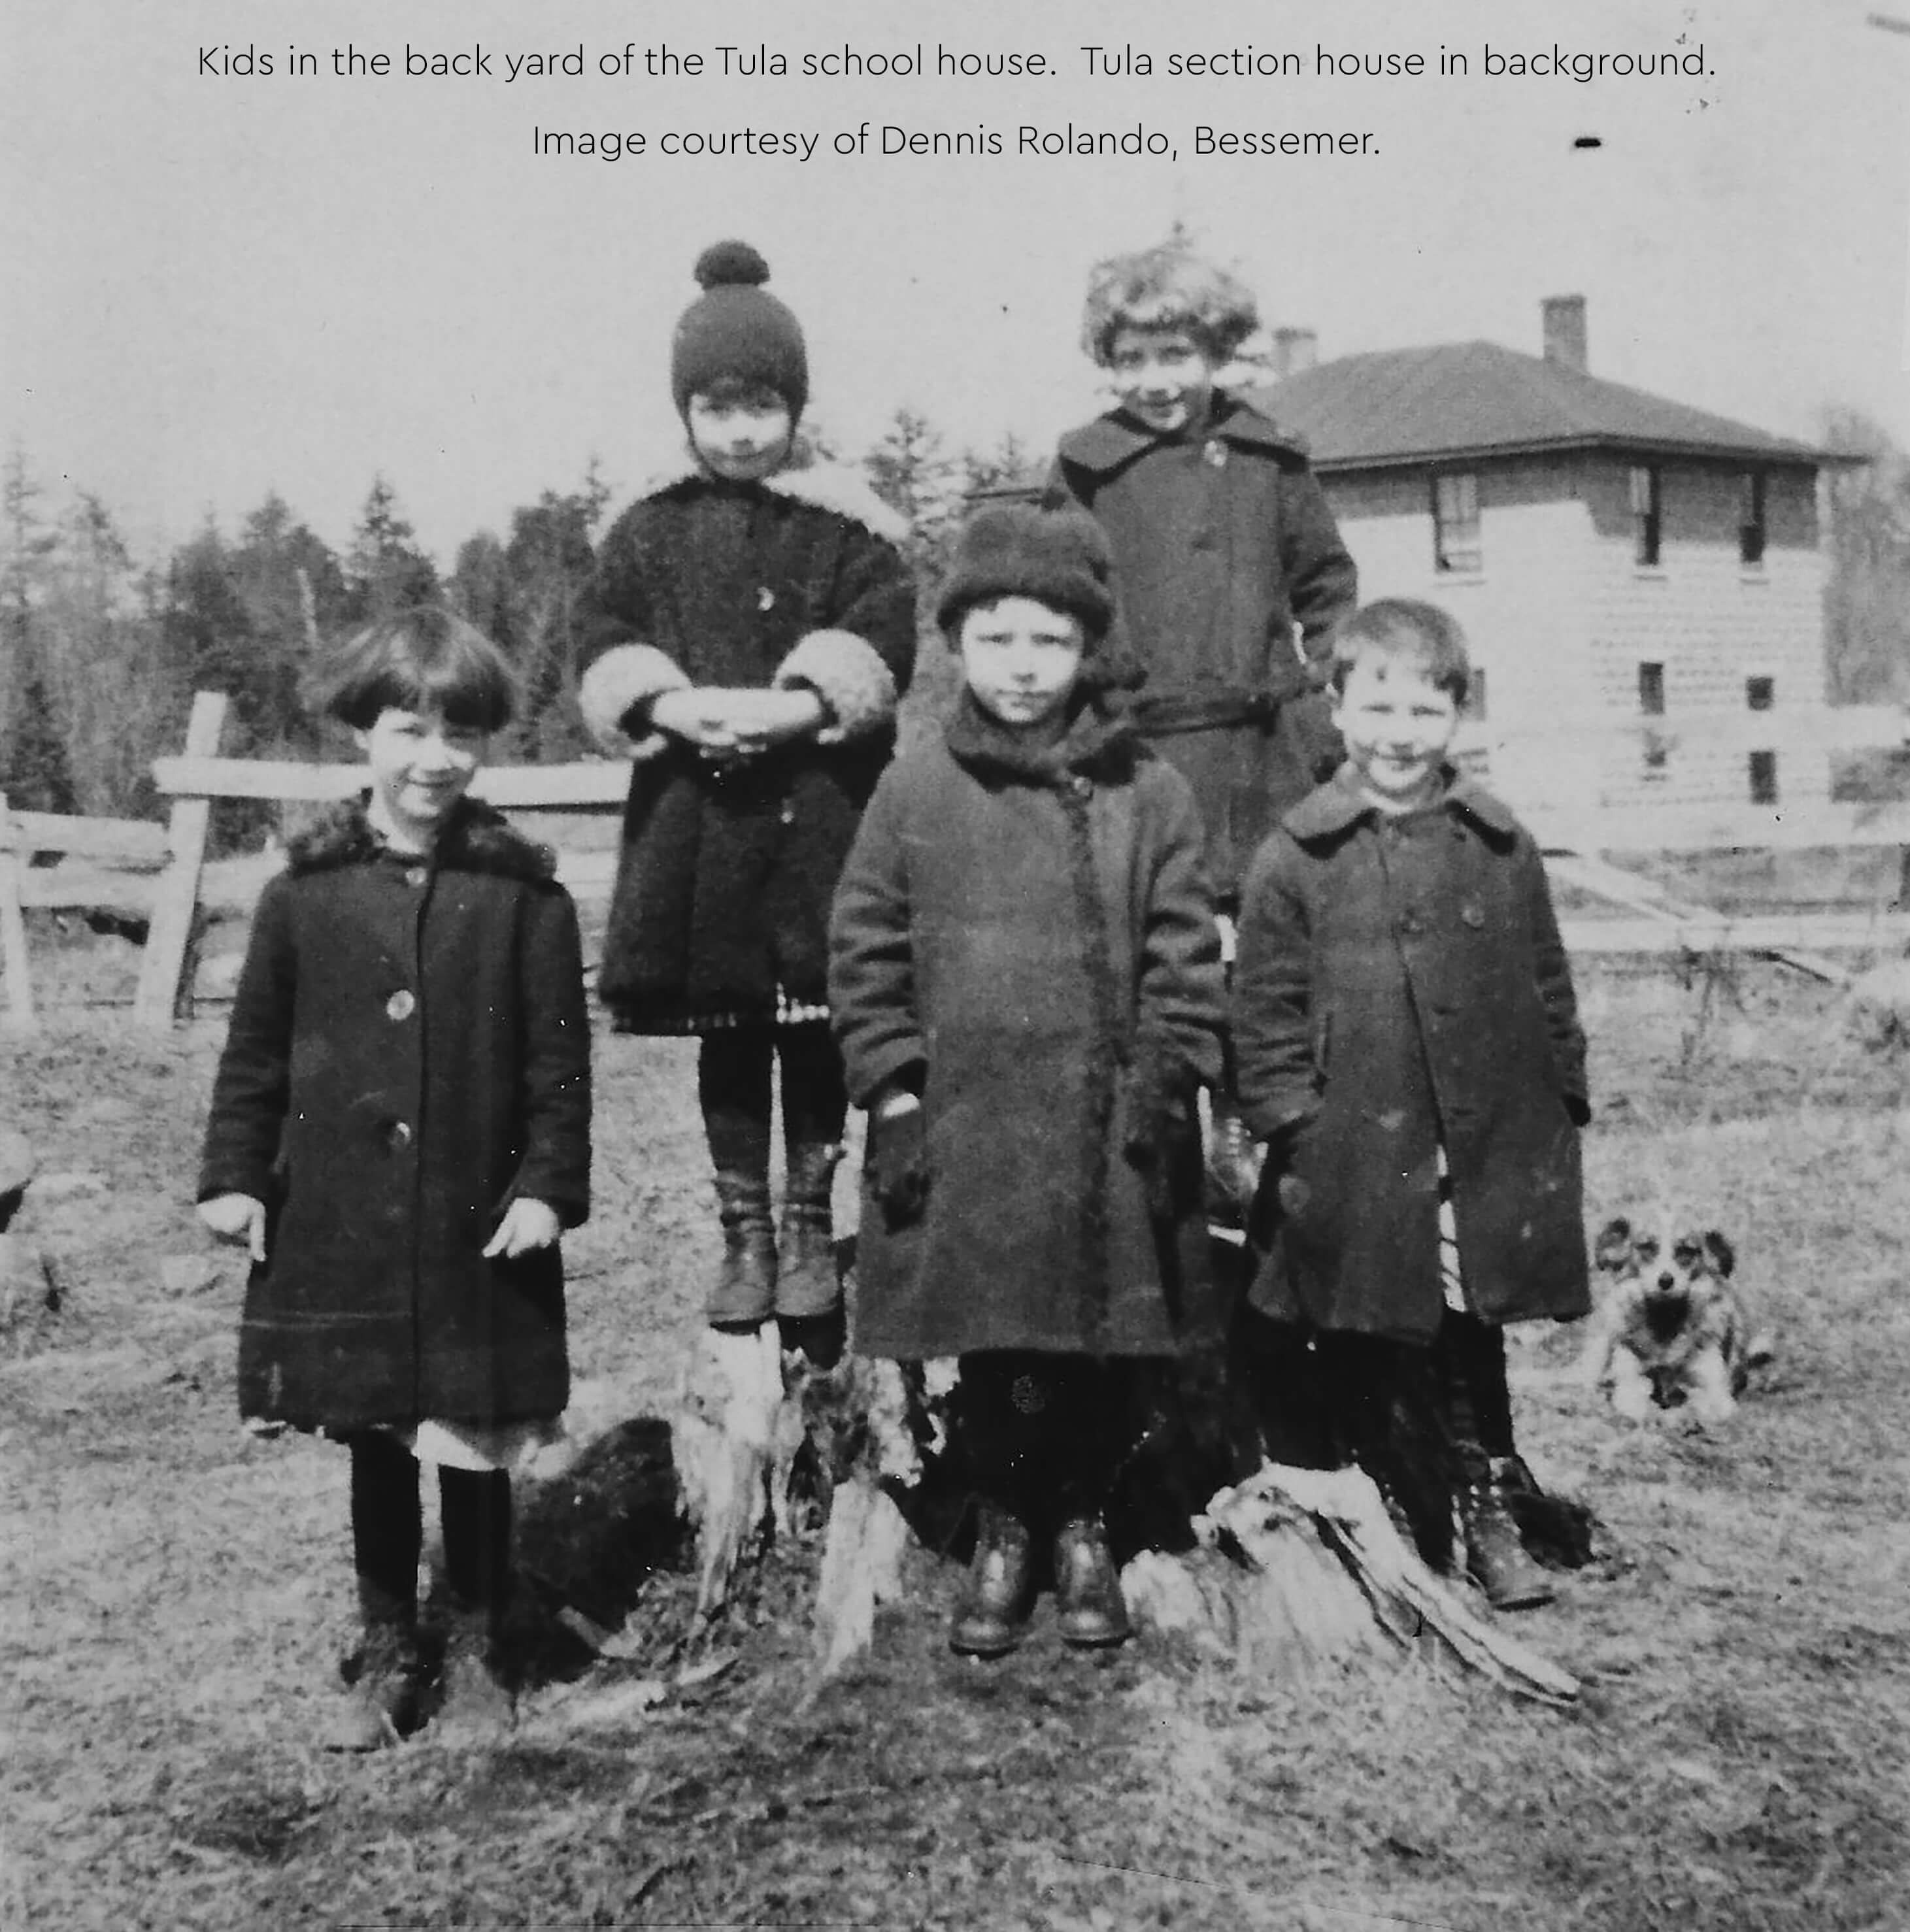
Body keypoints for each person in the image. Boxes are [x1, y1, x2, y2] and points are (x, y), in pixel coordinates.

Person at [830, 504, 1226, 1656]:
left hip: (1108, 1127)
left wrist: (1165, 1075)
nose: (1021, 666)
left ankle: (1087, 1522)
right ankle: (1005, 1523)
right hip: (970, 1122)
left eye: (1049, 640)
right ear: (955, 642)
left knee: (1097, 1338)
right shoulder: (915, 789)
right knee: (1001, 1342)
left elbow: (1185, 947)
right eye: (995, 637)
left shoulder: (1148, 790)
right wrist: (894, 1090)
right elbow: (863, 945)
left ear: (1088, 648)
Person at [198, 608, 591, 1748]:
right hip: (342, 1220)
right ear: (362, 733)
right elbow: (255, 1055)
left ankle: (477, 1645)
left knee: (473, 1439)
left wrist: (546, 1187)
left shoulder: (525, 899)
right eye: (410, 730)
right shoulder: (303, 896)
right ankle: (386, 1646)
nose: (435, 758)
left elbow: (560, 1069)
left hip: (478, 1221)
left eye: (461, 733)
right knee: (372, 1431)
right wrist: (234, 1176)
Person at [578, 240, 916, 1368]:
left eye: (760, 407)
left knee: (815, 1023)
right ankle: (744, 1235)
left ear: (795, 407)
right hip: (698, 814)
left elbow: (884, 633)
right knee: (728, 1030)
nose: (737, 432)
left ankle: (812, 1225)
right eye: (715, 409)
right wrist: (670, 706)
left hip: (816, 807)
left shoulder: (848, 525)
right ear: (685, 411)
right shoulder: (646, 526)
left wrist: (795, 707)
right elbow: (603, 635)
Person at [1231, 599, 1590, 1610]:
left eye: (1426, 711)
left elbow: (1546, 980)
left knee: (1468, 1326)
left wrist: (1561, 1093)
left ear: (1457, 716)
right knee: (1360, 1323)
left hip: (1478, 1145)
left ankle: (1483, 1507)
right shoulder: (1297, 854)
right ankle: (1381, 1498)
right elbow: (1261, 1009)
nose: (1400, 734)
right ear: (1337, 708)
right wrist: (1292, 1122)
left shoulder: (1497, 842)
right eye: (1377, 708)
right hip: (1351, 1145)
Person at [1045, 235, 1357, 907]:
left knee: (1275, 914)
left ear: (1216, 352)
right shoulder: (1087, 469)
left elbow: (1326, 586)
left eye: (1175, 355)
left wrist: (1331, 694)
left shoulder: (1267, 459)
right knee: (1161, 912)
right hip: (1138, 745)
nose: (1154, 381)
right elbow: (1056, 601)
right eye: (1130, 360)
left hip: (1266, 749)